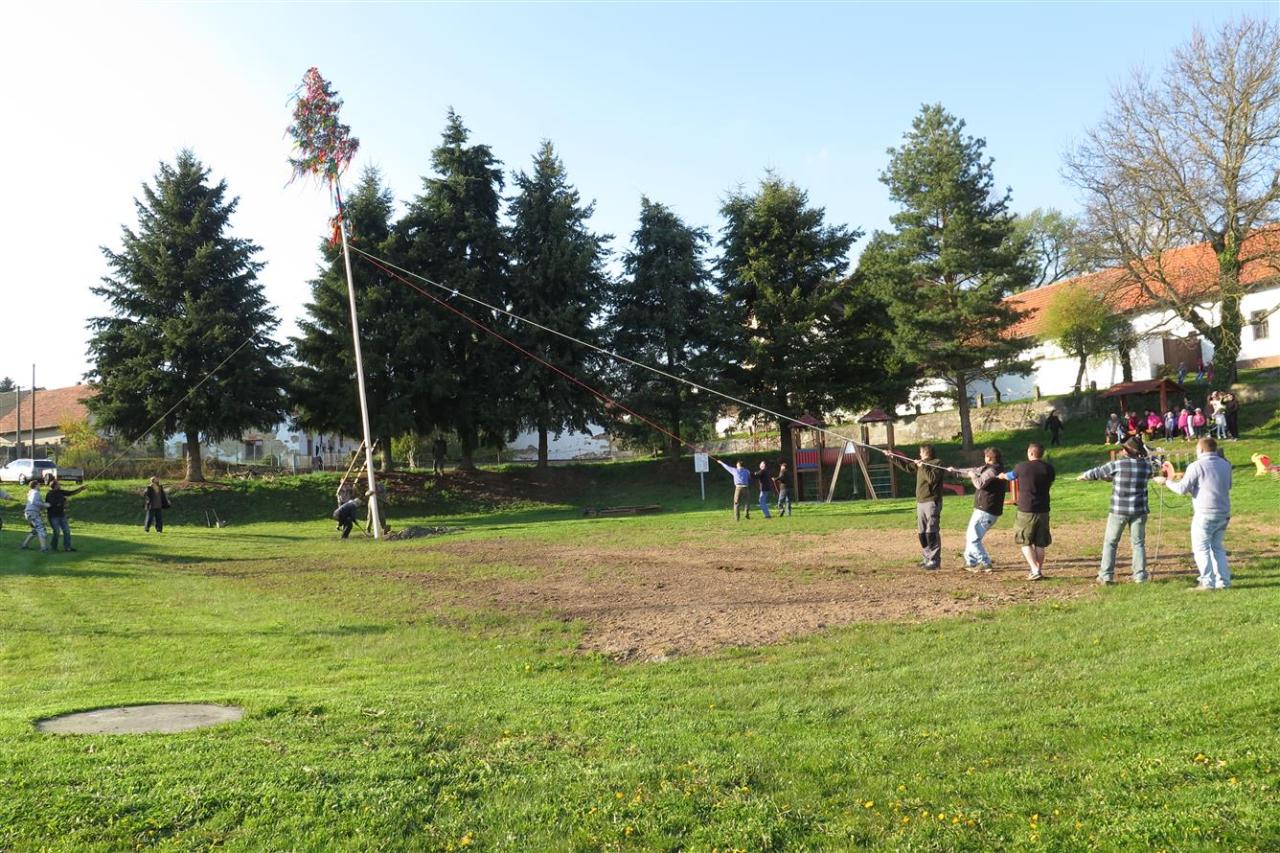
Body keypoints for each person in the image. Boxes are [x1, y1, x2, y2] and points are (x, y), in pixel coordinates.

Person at [1077, 437, 1159, 584]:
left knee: (1111, 542)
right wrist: (1147, 452)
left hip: (1119, 510)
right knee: (1138, 543)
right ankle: (1140, 576)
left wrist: (1083, 476)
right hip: (1139, 510)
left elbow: (1098, 472)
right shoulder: (1146, 466)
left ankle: (1106, 575)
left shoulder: (1118, 464)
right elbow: (1158, 465)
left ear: (1126, 451)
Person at [1155, 436, 1232, 590]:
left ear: (1201, 449)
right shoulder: (1226, 464)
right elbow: (1227, 485)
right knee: (1217, 547)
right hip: (1224, 512)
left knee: (1201, 548)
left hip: (1205, 513)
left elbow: (1181, 489)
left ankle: (1207, 582)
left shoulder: (1196, 466)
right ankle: (1223, 581)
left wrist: (1166, 482)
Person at [949, 447, 1007, 572]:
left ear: (989, 458)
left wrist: (972, 477)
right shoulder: (988, 468)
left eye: (985, 456)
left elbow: (979, 483)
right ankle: (971, 562)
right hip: (983, 509)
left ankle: (985, 562)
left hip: (987, 510)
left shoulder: (993, 471)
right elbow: (973, 470)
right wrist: (955, 471)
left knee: (973, 538)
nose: (984, 457)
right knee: (970, 535)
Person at [1003, 442, 1055, 580]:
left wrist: (1001, 476)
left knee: (1024, 541)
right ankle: (1038, 570)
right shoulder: (1049, 468)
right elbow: (1050, 482)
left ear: (1031, 453)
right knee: (1040, 543)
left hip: (1026, 509)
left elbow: (1010, 476)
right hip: (1043, 509)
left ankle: (1034, 569)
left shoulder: (1021, 467)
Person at [912, 445, 945, 570]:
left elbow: (932, 479)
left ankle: (934, 560)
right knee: (922, 533)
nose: (919, 455)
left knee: (931, 531)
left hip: (932, 501)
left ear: (925, 452)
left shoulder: (937, 463)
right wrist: (892, 457)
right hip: (920, 502)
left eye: (920, 452)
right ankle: (927, 558)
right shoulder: (921, 464)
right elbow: (907, 466)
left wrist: (923, 466)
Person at [44, 478, 87, 552]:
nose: (60, 485)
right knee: (57, 532)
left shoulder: (60, 491)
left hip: (61, 515)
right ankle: (54, 547)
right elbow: (53, 503)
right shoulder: (50, 494)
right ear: (55, 486)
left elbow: (71, 493)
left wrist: (80, 489)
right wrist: (63, 500)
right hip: (53, 516)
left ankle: (67, 547)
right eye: (58, 484)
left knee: (67, 531)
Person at [20, 480, 50, 552]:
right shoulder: (36, 492)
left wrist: (42, 506)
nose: (40, 486)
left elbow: (34, 502)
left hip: (29, 513)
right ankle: (43, 548)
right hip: (33, 513)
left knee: (35, 530)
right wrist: (44, 504)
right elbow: (34, 501)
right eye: (39, 485)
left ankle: (24, 545)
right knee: (41, 529)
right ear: (36, 485)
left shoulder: (31, 492)